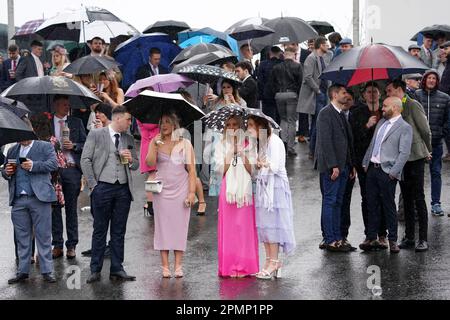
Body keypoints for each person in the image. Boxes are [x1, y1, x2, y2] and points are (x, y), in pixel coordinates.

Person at [81, 106, 139, 283]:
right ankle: (95, 269)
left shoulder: (128, 138)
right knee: (100, 229)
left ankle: (117, 268)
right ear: (118, 118)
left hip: (122, 188)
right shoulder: (97, 134)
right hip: (102, 187)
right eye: (129, 119)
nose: (130, 123)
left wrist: (131, 160)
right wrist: (93, 185)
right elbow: (85, 159)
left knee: (119, 230)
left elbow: (136, 165)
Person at [2, 119, 59, 284]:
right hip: (19, 199)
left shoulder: (44, 146)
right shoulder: (12, 150)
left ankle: (47, 271)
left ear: (31, 129)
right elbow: (6, 172)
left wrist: (34, 165)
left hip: (39, 197)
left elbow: (53, 164)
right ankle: (23, 271)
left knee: (43, 236)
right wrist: (6, 171)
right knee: (22, 237)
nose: (22, 136)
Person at [146, 112, 196, 278]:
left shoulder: (185, 143)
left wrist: (191, 193)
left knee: (180, 227)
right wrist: (153, 144)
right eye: (161, 122)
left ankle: (178, 265)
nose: (164, 125)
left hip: (181, 188)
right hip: (162, 191)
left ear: (175, 124)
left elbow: (192, 170)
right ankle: (165, 266)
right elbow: (150, 163)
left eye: (167, 122)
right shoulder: (156, 141)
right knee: (162, 227)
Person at [360, 97, 413, 254]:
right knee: (371, 204)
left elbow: (404, 153)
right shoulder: (381, 123)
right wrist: (365, 162)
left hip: (387, 172)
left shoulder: (405, 127)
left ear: (395, 108)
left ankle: (393, 240)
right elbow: (373, 144)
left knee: (388, 206)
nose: (382, 108)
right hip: (371, 169)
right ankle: (371, 237)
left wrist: (393, 173)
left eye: (385, 106)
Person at [247, 116, 296, 280]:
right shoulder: (260, 143)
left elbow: (277, 166)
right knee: (265, 225)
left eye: (251, 126)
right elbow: (256, 171)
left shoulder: (275, 141)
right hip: (263, 187)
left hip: (275, 188)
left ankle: (274, 261)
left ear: (261, 126)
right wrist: (257, 163)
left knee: (273, 224)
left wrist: (264, 163)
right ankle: (268, 261)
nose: (248, 129)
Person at [214, 115, 259, 277]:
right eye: (229, 125)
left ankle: (245, 266)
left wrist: (242, 153)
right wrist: (230, 152)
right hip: (228, 191)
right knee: (230, 230)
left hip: (245, 191)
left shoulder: (249, 143)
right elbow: (220, 170)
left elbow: (253, 171)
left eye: (235, 125)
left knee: (244, 228)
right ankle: (230, 266)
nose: (232, 128)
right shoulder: (221, 144)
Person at [315, 84, 355, 252]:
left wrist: (351, 165)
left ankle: (338, 237)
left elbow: (346, 142)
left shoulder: (341, 114)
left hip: (344, 165)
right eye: (344, 93)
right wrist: (334, 166)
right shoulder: (325, 113)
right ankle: (330, 239)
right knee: (330, 201)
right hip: (333, 167)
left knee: (339, 202)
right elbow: (325, 142)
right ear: (334, 94)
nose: (347, 96)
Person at [349, 83, 388, 249]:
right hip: (364, 162)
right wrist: (367, 126)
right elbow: (353, 137)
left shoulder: (386, 112)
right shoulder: (357, 113)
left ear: (379, 94)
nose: (372, 95)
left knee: (383, 197)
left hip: (383, 161)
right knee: (367, 198)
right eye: (369, 92)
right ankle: (369, 234)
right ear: (364, 95)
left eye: (375, 92)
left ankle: (382, 235)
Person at [50, 95, 87, 260]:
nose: (67, 107)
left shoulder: (76, 122)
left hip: (72, 169)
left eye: (68, 104)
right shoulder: (48, 124)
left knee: (71, 209)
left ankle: (71, 245)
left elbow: (86, 144)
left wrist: (74, 146)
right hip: (54, 170)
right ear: (55, 105)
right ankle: (57, 244)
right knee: (54, 208)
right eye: (63, 104)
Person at [415, 70, 450, 218]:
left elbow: (448, 120)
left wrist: (442, 132)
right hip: (419, 144)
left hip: (436, 143)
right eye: (429, 78)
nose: (431, 80)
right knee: (418, 174)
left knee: (436, 172)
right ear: (424, 80)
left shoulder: (445, 98)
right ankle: (418, 204)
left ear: (437, 81)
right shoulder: (416, 95)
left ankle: (436, 203)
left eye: (434, 78)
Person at [205, 79, 247, 197]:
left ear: (233, 89)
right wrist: (206, 103)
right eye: (223, 87)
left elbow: (244, 117)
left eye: (228, 87)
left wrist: (234, 104)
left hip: (235, 135)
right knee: (217, 162)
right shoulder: (217, 101)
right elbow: (211, 118)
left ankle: (235, 187)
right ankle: (219, 191)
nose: (226, 90)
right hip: (218, 135)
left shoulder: (240, 101)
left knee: (234, 159)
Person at [298, 36, 331, 160]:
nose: (327, 46)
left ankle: (316, 150)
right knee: (317, 123)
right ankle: (313, 151)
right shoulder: (311, 58)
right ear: (320, 45)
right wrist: (317, 90)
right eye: (326, 44)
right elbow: (307, 77)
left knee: (320, 123)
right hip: (316, 95)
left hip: (323, 94)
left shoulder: (324, 57)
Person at [272, 47, 303, 156]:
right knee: (292, 121)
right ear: (294, 55)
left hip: (279, 94)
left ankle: (283, 146)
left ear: (284, 55)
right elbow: (300, 83)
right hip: (292, 94)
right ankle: (290, 147)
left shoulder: (276, 67)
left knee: (283, 120)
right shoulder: (298, 66)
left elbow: (272, 83)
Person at [257, 46, 283, 124]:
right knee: (279, 120)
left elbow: (260, 81)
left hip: (266, 96)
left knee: (267, 120)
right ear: (279, 53)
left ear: (270, 53)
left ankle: (267, 135)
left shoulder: (262, 64)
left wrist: (260, 96)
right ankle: (279, 136)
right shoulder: (283, 64)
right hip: (280, 95)